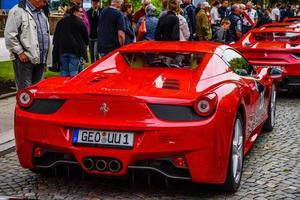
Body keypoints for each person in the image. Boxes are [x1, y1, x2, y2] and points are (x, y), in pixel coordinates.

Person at [4, 0, 51, 90]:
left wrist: (45, 60)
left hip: (40, 60)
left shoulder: (41, 12)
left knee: (37, 92)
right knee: (25, 93)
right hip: (24, 60)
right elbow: (9, 35)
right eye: (45, 1)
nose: (46, 3)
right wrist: (20, 52)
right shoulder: (17, 10)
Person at [53, 3, 89, 77]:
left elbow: (55, 37)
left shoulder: (61, 22)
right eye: (80, 12)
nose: (82, 14)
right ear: (75, 12)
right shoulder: (80, 22)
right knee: (74, 74)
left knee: (64, 72)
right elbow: (86, 39)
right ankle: (72, 88)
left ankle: (64, 88)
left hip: (62, 50)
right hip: (75, 52)